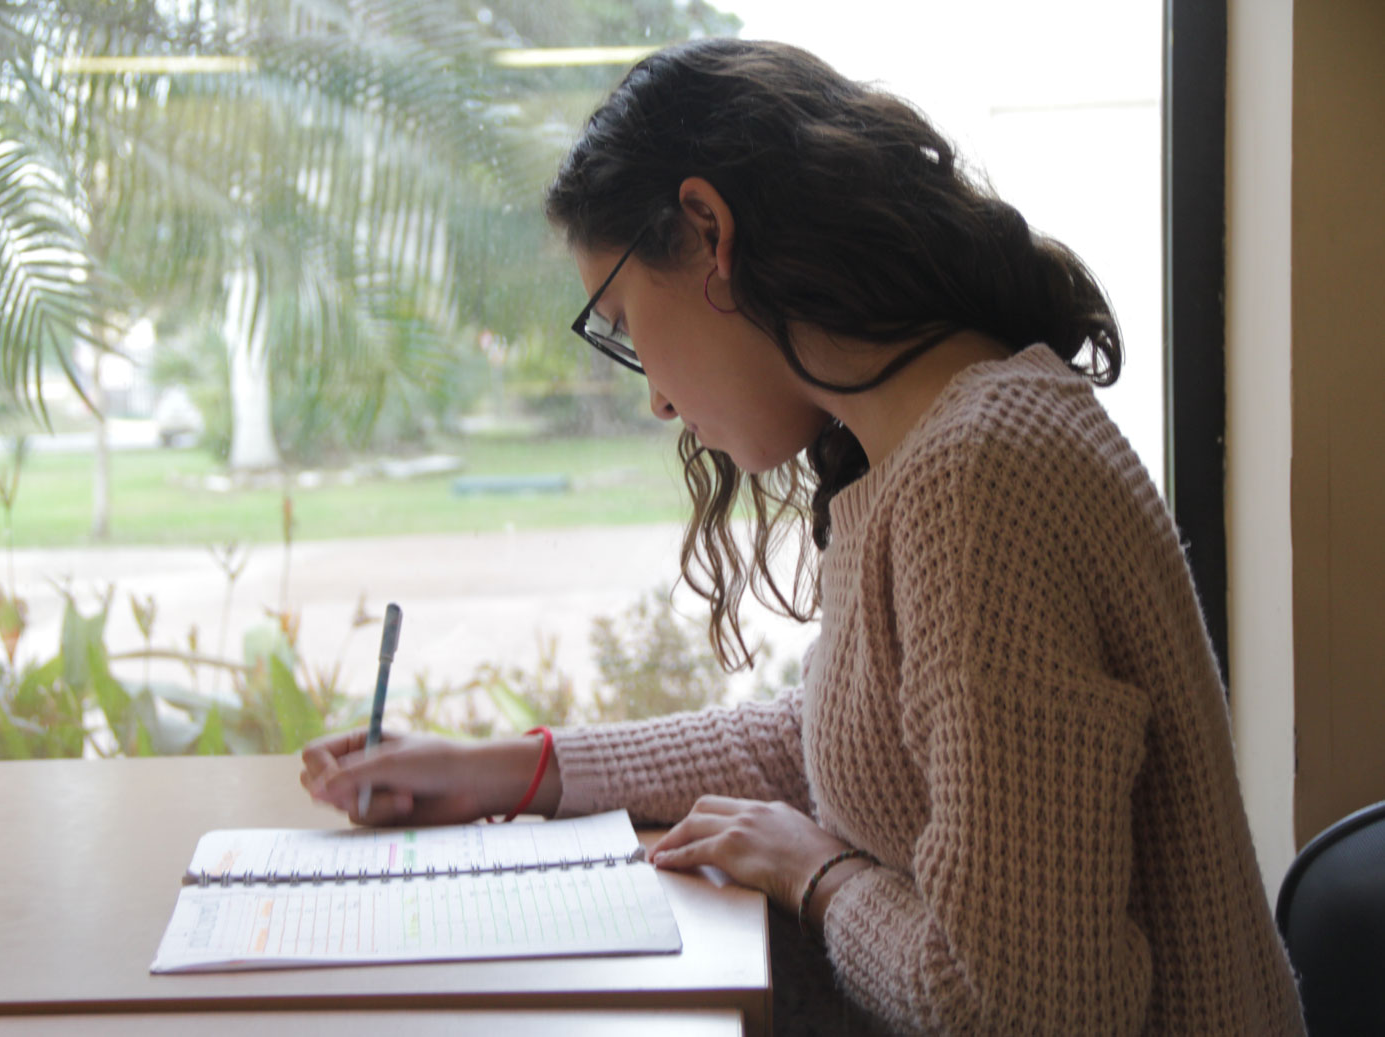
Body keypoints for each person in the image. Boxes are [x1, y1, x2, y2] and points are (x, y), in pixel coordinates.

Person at [300, 38, 1304, 1035]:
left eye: (621, 321)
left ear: (707, 229)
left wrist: (810, 870)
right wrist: (514, 770)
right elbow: (834, 738)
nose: (651, 395)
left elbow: (1023, 1005)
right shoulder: (924, 444)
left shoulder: (979, 474)